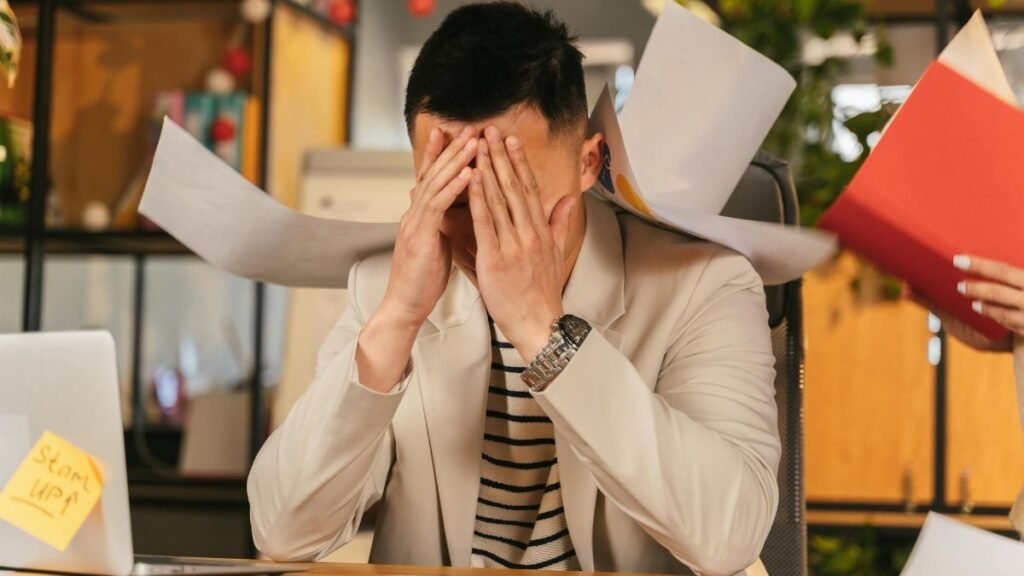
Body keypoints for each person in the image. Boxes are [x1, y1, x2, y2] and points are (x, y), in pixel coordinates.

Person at [247, 3, 780, 575]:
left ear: (588, 162)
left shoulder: (705, 284)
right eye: (455, 195)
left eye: (513, 196)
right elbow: (285, 532)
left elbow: (730, 535)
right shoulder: (386, 286)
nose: (486, 228)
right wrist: (397, 319)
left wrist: (542, 331)